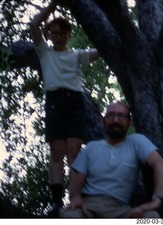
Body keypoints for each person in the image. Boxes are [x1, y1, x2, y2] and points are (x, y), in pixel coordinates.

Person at [29, 0, 100, 216]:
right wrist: (53, 5)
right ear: (49, 35)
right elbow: (34, 25)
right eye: (53, 32)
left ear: (69, 34)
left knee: (74, 152)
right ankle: (56, 201)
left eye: (62, 32)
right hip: (55, 101)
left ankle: (76, 197)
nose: (58, 35)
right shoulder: (45, 52)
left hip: (75, 102)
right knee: (57, 151)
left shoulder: (76, 54)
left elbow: (100, 51)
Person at [59, 101, 163, 218]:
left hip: (119, 209)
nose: (116, 120)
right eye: (111, 115)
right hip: (88, 206)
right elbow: (76, 182)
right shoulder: (91, 147)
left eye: (121, 116)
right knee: (71, 217)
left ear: (129, 122)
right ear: (103, 121)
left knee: (151, 217)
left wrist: (156, 200)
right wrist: (75, 197)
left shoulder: (137, 142)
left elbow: (161, 166)